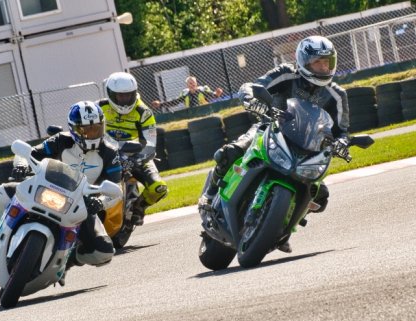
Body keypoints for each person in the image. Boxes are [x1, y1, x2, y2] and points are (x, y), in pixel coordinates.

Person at [199, 35, 350, 253]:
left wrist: (342, 143)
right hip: (271, 129)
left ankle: (282, 227)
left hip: (309, 147)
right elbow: (254, 86)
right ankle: (210, 195)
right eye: (318, 62)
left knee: (321, 196)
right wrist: (251, 98)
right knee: (229, 152)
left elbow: (342, 130)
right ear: (304, 61)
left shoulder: (337, 95)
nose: (324, 67)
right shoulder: (286, 74)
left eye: (328, 62)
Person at [0, 101, 121, 282]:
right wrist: (21, 165)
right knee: (1, 193)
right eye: (86, 130)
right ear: (74, 129)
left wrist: (100, 201)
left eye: (96, 129)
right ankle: (0, 236)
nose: (91, 134)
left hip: (80, 204)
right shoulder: (60, 140)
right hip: (44, 190)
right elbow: (29, 154)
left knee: (103, 252)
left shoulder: (109, 152)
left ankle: (67, 260)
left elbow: (115, 187)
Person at [98, 72, 168, 226]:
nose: (124, 100)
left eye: (128, 95)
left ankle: (139, 207)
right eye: (120, 96)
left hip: (134, 154)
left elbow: (150, 145)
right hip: (103, 153)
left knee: (159, 188)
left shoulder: (143, 112)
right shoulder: (99, 107)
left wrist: (135, 160)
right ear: (110, 93)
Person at [151, 76, 223, 110]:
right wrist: (160, 104)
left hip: (205, 111)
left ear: (196, 83)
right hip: (190, 114)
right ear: (187, 85)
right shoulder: (185, 93)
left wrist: (217, 93)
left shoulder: (202, 90)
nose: (192, 85)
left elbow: (213, 95)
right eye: (190, 83)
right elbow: (175, 102)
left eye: (193, 83)